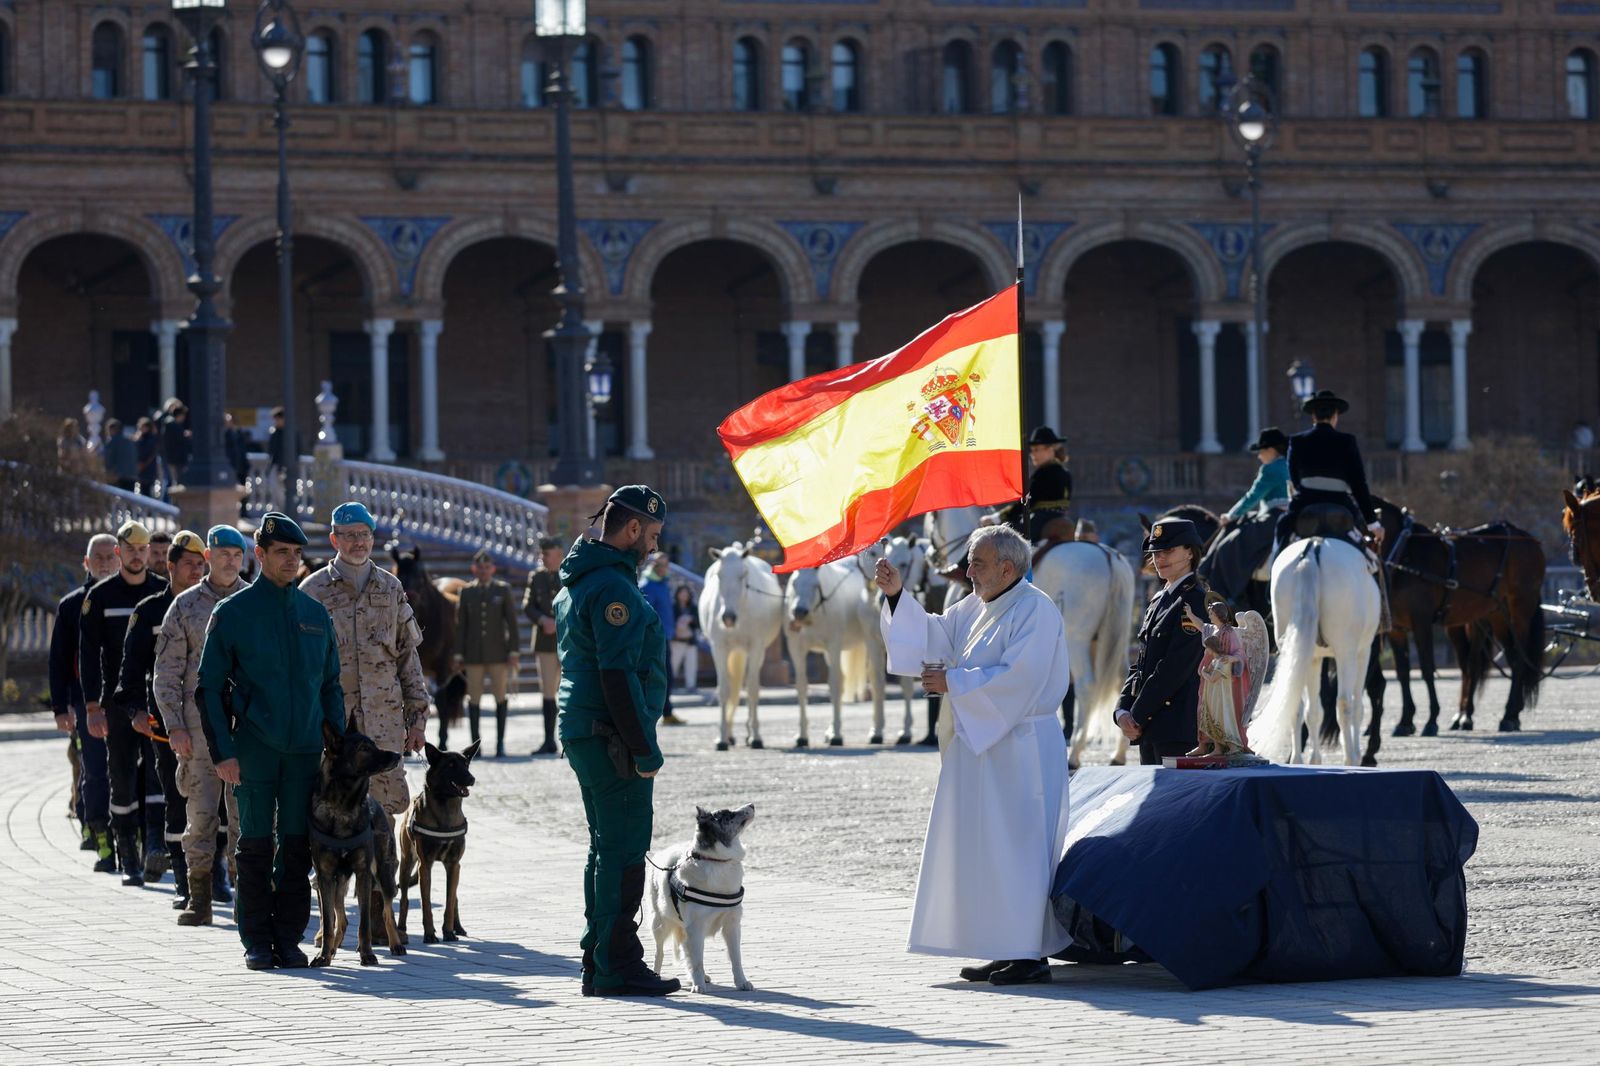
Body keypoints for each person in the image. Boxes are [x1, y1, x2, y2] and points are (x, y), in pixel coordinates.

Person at [872, 524, 1072, 986]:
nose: (968, 571)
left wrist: (955, 683)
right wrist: (898, 593)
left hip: (1021, 749)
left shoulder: (1035, 611)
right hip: (980, 744)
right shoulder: (975, 606)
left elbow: (1020, 676)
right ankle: (1001, 945)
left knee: (1018, 848)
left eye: (977, 563)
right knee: (984, 849)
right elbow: (933, 636)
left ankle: (1029, 954)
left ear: (1007, 567)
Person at [197, 512, 345, 970]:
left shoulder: (314, 614)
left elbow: (331, 686)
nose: (291, 561)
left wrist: (337, 751)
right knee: (255, 845)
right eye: (282, 553)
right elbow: (209, 687)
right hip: (255, 750)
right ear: (259, 555)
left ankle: (288, 938)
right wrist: (223, 752)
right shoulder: (234, 613)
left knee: (297, 846)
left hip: (304, 752)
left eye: (297, 554)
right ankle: (257, 940)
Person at [556, 485, 678, 997]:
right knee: (625, 849)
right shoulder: (614, 589)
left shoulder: (582, 579)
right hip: (611, 736)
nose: (652, 545)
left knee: (605, 848)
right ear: (631, 529)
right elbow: (617, 676)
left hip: (586, 730)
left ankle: (599, 952)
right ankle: (617, 962)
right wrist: (644, 749)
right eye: (650, 535)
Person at [300, 501, 430, 818]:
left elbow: (407, 659)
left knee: (385, 814)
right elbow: (299, 668)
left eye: (365, 534)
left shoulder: (391, 587)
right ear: (334, 540)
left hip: (384, 726)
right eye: (349, 535)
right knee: (332, 810)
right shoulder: (311, 592)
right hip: (334, 730)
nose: (359, 542)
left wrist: (417, 721)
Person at [155, 525, 252, 927]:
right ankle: (200, 896)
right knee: (201, 815)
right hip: (198, 730)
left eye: (237, 554)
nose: (230, 561)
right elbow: (167, 672)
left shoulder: (256, 602)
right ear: (207, 558)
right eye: (222, 554)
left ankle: (247, 896)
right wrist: (174, 725)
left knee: (248, 818)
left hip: (248, 730)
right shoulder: (185, 606)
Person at [112, 531, 205, 888]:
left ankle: (215, 875)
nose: (196, 572)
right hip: (167, 720)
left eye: (201, 565)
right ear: (170, 567)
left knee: (221, 804)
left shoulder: (219, 604)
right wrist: (135, 710)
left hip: (212, 720)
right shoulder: (150, 610)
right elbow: (131, 668)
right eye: (188, 565)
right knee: (177, 795)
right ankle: (183, 877)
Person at [81, 521, 168, 883]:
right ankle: (127, 855)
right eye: (129, 548)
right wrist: (91, 707)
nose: (136, 554)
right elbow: (87, 655)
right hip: (115, 703)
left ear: (149, 552)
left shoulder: (162, 592)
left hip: (154, 702)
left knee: (157, 776)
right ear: (119, 552)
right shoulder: (100, 597)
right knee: (121, 777)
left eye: (142, 548)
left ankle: (153, 847)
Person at [51, 533, 121, 869]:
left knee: (127, 768)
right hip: (84, 700)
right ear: (87, 563)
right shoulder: (72, 605)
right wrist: (60, 707)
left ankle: (131, 834)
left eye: (111, 557)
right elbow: (59, 660)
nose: (105, 563)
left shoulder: (136, 599)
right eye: (99, 558)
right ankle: (97, 830)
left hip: (124, 700)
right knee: (94, 768)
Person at [1114, 517, 1208, 766]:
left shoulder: (1194, 600)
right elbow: (1141, 663)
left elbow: (1174, 667)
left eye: (1168, 551)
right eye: (1155, 552)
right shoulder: (1159, 600)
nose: (1159, 559)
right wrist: (1122, 709)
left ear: (1189, 552)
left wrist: (1137, 715)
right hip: (1151, 729)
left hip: (1179, 729)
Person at [1273, 390, 1380, 557]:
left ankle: (1273, 580)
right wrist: (1373, 524)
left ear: (1313, 416)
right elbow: (1359, 485)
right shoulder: (1347, 441)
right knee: (1367, 552)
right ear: (1335, 415)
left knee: (1282, 528)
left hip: (1305, 503)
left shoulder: (1297, 441)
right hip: (1341, 504)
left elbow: (1294, 478)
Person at [1204, 427, 1290, 605]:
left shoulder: (1270, 469)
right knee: (1243, 521)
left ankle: (1229, 593)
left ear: (1271, 451)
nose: (1259, 456)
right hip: (1287, 515)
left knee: (1230, 545)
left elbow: (1252, 497)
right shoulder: (1290, 464)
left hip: (1274, 518)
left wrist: (1231, 515)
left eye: (1261, 452)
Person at [452, 548, 520, 757]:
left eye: (487, 567)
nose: (483, 571)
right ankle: (475, 746)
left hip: (498, 654)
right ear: (474, 569)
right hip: (474, 656)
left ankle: (500, 743)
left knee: (500, 697)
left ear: (493, 569)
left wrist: (514, 651)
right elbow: (461, 625)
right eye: (479, 567)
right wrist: (458, 654)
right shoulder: (467, 592)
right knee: (474, 700)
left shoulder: (502, 590)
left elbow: (512, 623)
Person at [991, 426, 1074, 542]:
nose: (1032, 454)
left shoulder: (1043, 473)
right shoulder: (1065, 473)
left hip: (1039, 522)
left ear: (1050, 450)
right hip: (1061, 518)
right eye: (1032, 450)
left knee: (1000, 538)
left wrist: (998, 517)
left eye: (1037, 450)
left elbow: (1027, 502)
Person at [522, 536, 565, 756]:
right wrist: (541, 620)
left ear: (558, 554)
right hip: (545, 643)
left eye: (546, 554)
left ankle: (569, 738)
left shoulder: (571, 574)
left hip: (568, 641)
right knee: (548, 692)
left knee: (570, 691)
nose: (542, 558)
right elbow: (528, 605)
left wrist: (558, 622)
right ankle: (549, 740)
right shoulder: (536, 577)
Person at [639, 552, 684, 725]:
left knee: (667, 676)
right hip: (654, 638)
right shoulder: (648, 585)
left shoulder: (663, 584)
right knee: (659, 677)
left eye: (667, 565)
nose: (665, 568)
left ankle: (667, 712)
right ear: (655, 566)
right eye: (662, 565)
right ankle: (661, 712)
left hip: (665, 635)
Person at [669, 584, 701, 693]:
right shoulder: (673, 607)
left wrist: (690, 619)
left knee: (691, 665)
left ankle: (691, 686)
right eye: (682, 593)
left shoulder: (693, 608)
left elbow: (699, 624)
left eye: (686, 594)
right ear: (677, 594)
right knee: (673, 665)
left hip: (690, 641)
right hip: (676, 641)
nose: (684, 596)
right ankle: (671, 686)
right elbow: (669, 622)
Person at [161, 402, 192, 490]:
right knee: (178, 483)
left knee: (175, 482)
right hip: (177, 459)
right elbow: (178, 441)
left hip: (174, 458)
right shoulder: (172, 426)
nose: (184, 418)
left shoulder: (171, 425)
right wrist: (185, 436)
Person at [102, 419, 137, 492]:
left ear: (112, 429)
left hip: (117, 476)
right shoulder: (130, 441)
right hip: (131, 475)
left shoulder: (112, 442)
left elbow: (108, 460)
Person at [134, 417, 162, 497]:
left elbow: (145, 452)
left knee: (147, 491)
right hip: (142, 469)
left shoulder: (150, 439)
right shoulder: (141, 438)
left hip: (147, 468)